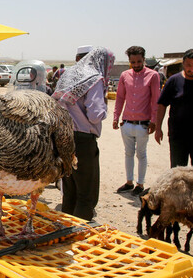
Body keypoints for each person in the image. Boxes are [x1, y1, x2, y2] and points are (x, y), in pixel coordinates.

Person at [53, 46, 114, 221]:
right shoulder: (94, 79)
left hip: (63, 137)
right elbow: (95, 115)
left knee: (70, 190)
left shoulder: (68, 76)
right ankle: (79, 236)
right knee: (86, 194)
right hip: (83, 141)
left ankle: (65, 233)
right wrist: (105, 110)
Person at [113, 46, 161, 196]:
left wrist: (154, 121)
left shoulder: (153, 76)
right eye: (133, 62)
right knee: (128, 153)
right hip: (127, 122)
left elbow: (155, 100)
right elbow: (120, 97)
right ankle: (129, 182)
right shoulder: (125, 75)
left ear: (143, 59)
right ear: (129, 61)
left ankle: (140, 184)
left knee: (141, 154)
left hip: (143, 124)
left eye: (139, 61)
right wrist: (116, 117)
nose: (136, 64)